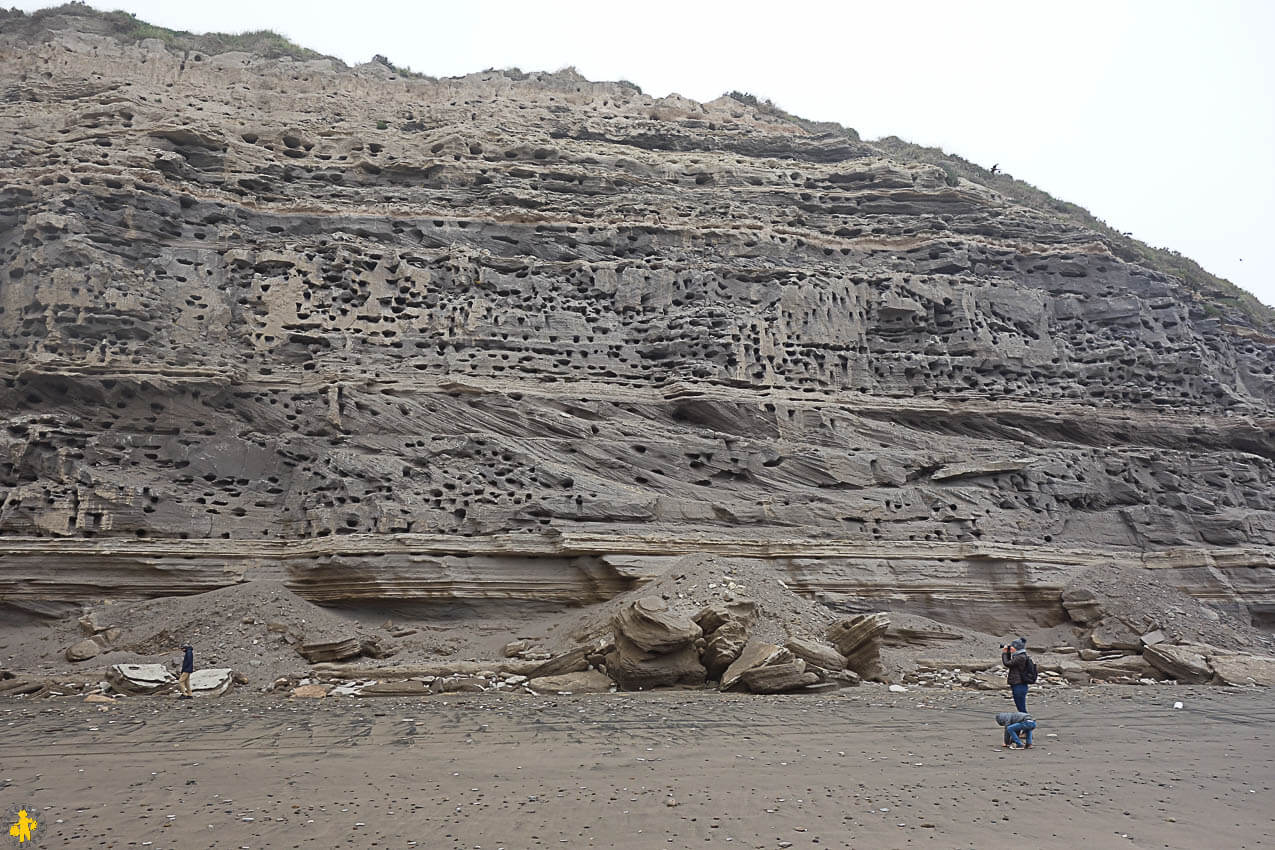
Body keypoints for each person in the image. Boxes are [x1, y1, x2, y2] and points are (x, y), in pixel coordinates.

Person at [1001, 637, 1030, 712]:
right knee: (1019, 706)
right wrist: (1008, 652)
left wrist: (1004, 652)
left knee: (1021, 707)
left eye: (1012, 646)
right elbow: (1010, 663)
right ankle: (1025, 720)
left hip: (1019, 684)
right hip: (1018, 684)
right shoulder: (1019, 655)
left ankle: (1027, 721)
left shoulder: (1020, 657)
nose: (1011, 647)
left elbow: (1007, 663)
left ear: (1017, 647)